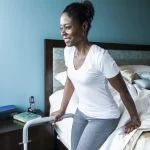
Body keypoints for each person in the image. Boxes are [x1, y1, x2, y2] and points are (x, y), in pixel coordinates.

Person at [52, 1, 141, 150]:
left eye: (67, 27)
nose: (63, 33)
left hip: (104, 116)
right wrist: (62, 109)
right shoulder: (68, 52)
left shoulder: (100, 57)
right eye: (61, 28)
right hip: (82, 112)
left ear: (84, 26)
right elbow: (70, 80)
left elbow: (123, 90)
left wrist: (134, 118)